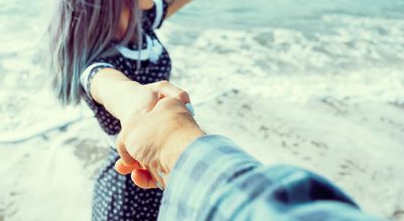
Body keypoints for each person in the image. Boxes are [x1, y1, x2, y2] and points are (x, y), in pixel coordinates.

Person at [47, 0, 263, 221]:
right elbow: (114, 88)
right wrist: (138, 102)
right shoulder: (95, 65)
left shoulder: (143, 20)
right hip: (131, 195)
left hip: (165, 174)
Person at [114, 82, 384, 221]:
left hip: (169, 179)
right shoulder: (103, 45)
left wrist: (171, 144)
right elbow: (97, 76)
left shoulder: (150, 17)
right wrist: (169, 138)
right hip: (138, 174)